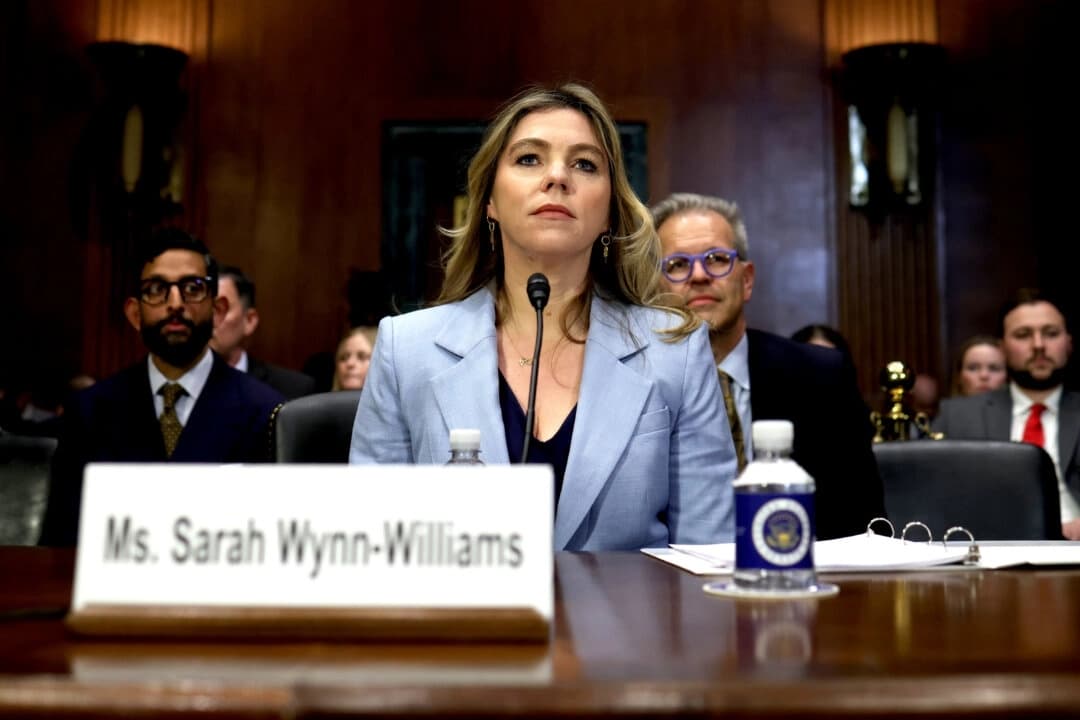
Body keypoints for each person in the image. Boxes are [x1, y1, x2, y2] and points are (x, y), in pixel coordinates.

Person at [349, 84, 735, 551]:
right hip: (465, 624)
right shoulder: (404, 350)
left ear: (610, 211)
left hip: (630, 624)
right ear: (488, 202)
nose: (557, 177)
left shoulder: (676, 351)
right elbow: (377, 554)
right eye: (529, 158)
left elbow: (709, 557)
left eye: (585, 164)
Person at [652, 192, 886, 540]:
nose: (699, 275)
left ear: (746, 280)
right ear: (653, 287)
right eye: (677, 265)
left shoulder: (822, 377)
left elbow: (865, 524)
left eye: (716, 259)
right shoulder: (636, 387)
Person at [39, 229, 284, 546]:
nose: (175, 303)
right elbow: (62, 540)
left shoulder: (266, 411)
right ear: (135, 313)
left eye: (192, 288)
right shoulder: (89, 412)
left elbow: (273, 543)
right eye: (157, 289)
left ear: (218, 310)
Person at [934, 289, 1080, 540]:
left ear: (1069, 342)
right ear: (1002, 348)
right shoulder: (957, 416)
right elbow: (932, 497)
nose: (1038, 345)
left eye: (1051, 333)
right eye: (1023, 335)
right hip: (989, 554)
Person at [210, 265, 315, 399]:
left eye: (219, 309)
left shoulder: (292, 390)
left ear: (249, 321)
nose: (208, 319)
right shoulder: (176, 387)